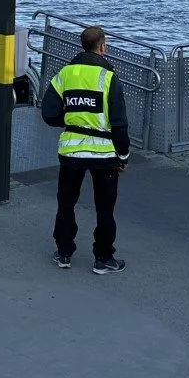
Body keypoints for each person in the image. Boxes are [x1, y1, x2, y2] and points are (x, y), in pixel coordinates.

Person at [42, 25, 130, 274]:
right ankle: (103, 258)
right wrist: (123, 155)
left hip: (71, 153)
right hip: (104, 155)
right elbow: (119, 123)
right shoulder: (109, 77)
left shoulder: (65, 74)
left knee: (66, 203)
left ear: (82, 45)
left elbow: (48, 113)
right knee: (105, 208)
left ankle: (64, 252)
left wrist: (70, 121)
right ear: (102, 46)